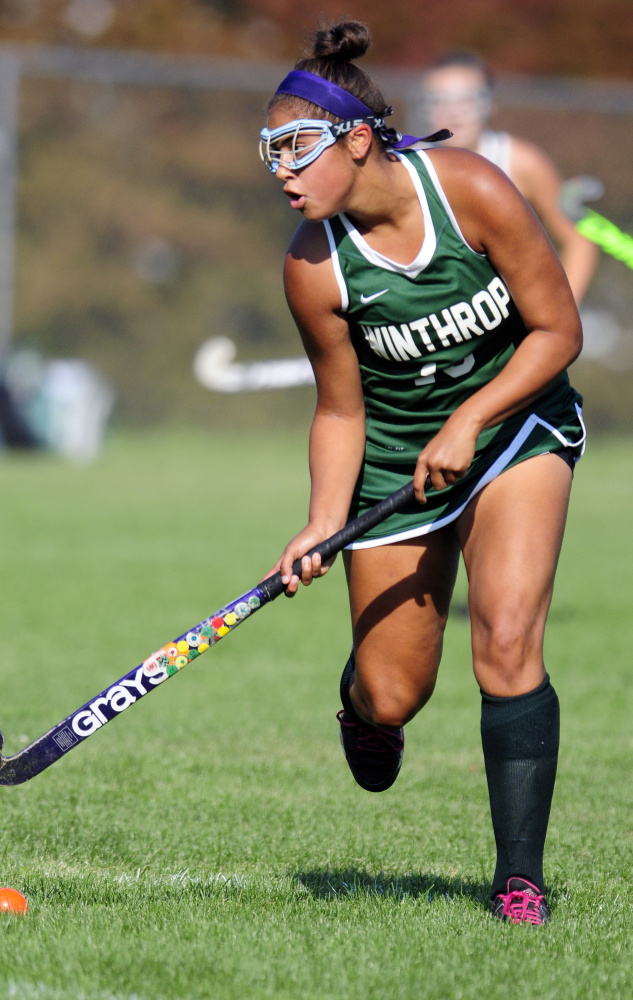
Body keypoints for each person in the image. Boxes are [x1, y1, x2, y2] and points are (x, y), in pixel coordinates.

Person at [260, 19, 585, 925]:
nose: (281, 174)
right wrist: (323, 519)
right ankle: (360, 704)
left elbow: (559, 330)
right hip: (397, 464)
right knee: (395, 690)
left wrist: (472, 419)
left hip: (515, 428)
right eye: (269, 156)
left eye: (294, 152)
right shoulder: (312, 268)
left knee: (508, 639)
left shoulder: (473, 191)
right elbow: (339, 408)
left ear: (355, 139)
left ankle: (519, 880)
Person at [417, 50, 598, 304]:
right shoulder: (409, 166)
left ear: (490, 104)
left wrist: (559, 318)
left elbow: (579, 243)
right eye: (440, 100)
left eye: (467, 100)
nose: (453, 112)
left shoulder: (522, 163)